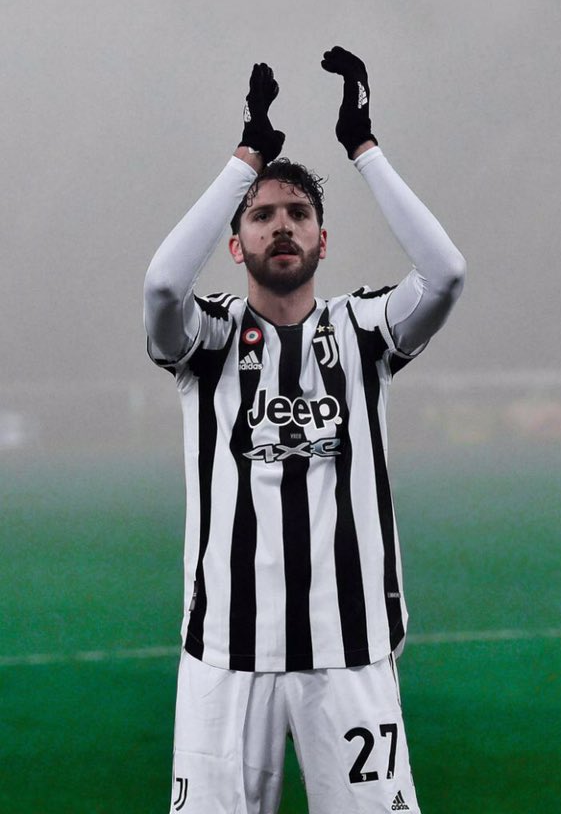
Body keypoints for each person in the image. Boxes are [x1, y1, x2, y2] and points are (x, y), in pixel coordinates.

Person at [143, 46, 466, 814]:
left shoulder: (364, 331)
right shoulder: (208, 340)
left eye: (298, 215)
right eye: (261, 217)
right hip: (226, 656)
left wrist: (364, 146)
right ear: (235, 245)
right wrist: (246, 158)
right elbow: (161, 284)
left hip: (349, 653)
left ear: (323, 239)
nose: (281, 226)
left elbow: (446, 273)